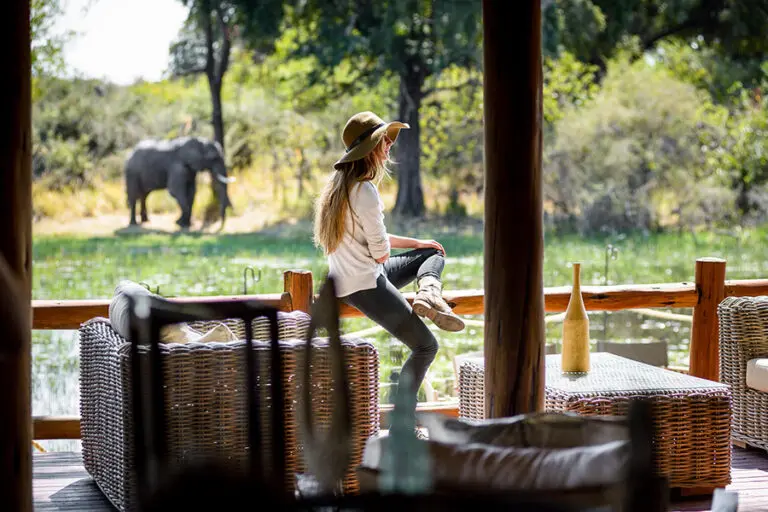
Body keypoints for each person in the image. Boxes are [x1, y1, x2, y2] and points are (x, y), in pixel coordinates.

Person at [313, 111, 465, 403]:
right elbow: (381, 252)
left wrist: (417, 242)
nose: (389, 145)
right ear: (370, 149)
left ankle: (428, 293)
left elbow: (371, 240)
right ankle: (402, 424)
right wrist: (384, 248)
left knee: (431, 250)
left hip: (348, 281)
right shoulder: (365, 191)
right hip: (366, 285)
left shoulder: (339, 188)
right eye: (384, 140)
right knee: (426, 347)